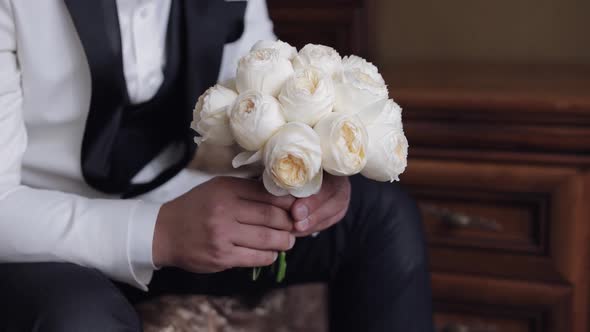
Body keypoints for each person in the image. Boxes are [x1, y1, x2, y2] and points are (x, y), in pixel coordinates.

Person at [0, 0, 434, 331]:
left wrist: (308, 171)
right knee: (79, 316)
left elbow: (257, 105)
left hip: (164, 200)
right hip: (30, 240)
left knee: (379, 214)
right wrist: (161, 231)